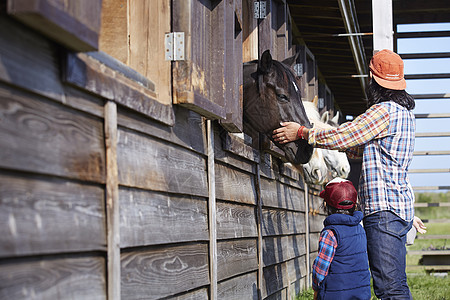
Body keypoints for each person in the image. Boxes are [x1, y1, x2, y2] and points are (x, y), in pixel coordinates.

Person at [273, 49, 416, 299]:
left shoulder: (383, 111)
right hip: (397, 209)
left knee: (390, 289)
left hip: (384, 212)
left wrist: (303, 133)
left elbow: (347, 134)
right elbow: (361, 147)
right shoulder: (405, 115)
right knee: (394, 283)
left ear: (372, 79)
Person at [312, 178, 371, 300]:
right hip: (361, 293)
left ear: (325, 205)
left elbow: (321, 268)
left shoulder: (330, 233)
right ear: (354, 205)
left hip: (334, 294)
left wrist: (316, 287)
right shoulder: (360, 228)